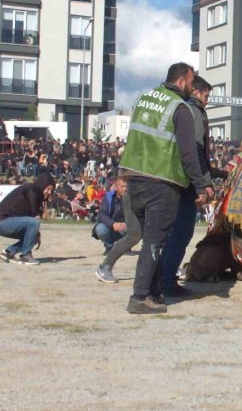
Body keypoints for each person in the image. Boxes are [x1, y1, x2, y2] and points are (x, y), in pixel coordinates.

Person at [119, 62, 213, 314]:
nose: (193, 88)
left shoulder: (143, 99)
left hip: (135, 178)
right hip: (161, 181)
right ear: (181, 81)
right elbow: (188, 153)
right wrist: (201, 186)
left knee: (150, 237)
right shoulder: (179, 108)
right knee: (154, 241)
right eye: (192, 83)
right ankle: (139, 297)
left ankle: (154, 292)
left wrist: (121, 174)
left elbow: (134, 138)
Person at [159, 76, 226, 298]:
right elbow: (194, 151)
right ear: (196, 91)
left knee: (173, 233)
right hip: (187, 184)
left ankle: (162, 278)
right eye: (206, 96)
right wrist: (203, 184)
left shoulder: (181, 108)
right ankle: (167, 281)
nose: (207, 101)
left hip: (177, 179)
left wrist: (219, 173)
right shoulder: (194, 112)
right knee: (181, 233)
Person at [0, 172, 55, 265]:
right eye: (48, 189)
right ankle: (26, 256)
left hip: (0, 223)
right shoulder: (31, 188)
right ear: (42, 185)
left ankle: (9, 252)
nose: (49, 192)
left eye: (51, 190)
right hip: (1, 221)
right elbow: (33, 215)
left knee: (34, 236)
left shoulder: (36, 195)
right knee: (34, 223)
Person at [92, 177, 127, 254]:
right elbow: (101, 214)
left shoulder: (132, 198)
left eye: (126, 186)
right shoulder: (109, 197)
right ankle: (110, 247)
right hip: (112, 228)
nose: (125, 189)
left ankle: (127, 247)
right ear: (116, 188)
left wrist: (128, 224)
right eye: (122, 186)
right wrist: (113, 224)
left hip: (127, 228)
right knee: (100, 229)